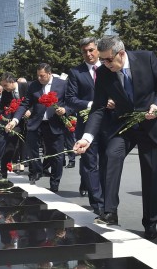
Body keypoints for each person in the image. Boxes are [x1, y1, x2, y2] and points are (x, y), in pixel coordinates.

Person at [74, 35, 157, 240]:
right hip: (124, 126)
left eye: (108, 60)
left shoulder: (146, 58)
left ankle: (150, 222)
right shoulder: (103, 72)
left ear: (121, 53)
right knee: (111, 154)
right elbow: (99, 108)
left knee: (151, 175)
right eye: (102, 60)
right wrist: (87, 137)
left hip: (152, 125)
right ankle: (109, 211)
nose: (105, 64)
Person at [8, 64, 68, 192]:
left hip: (54, 123)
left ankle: (54, 182)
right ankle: (37, 169)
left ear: (49, 73)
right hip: (36, 123)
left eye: (42, 76)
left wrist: (66, 110)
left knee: (56, 154)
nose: (40, 78)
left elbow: (70, 100)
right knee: (31, 146)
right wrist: (15, 120)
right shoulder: (33, 85)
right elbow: (25, 104)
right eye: (38, 75)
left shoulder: (62, 84)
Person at [65, 37, 104, 216]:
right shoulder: (76, 72)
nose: (88, 54)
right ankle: (97, 203)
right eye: (84, 51)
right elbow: (71, 99)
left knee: (107, 162)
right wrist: (90, 105)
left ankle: (107, 199)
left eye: (91, 50)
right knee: (89, 164)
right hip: (86, 125)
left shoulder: (108, 66)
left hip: (109, 125)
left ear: (97, 49)